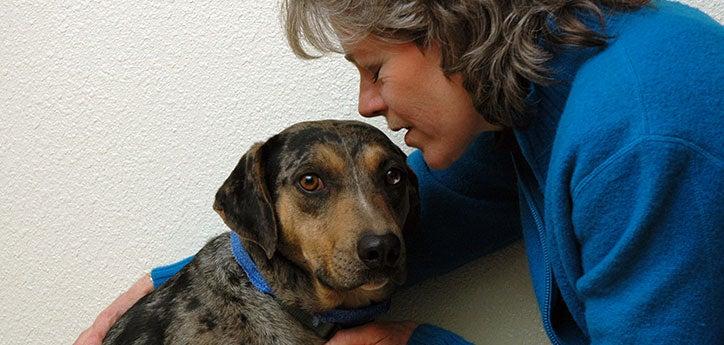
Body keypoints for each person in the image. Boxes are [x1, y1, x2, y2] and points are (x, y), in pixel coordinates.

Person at [75, 0, 723, 344]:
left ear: (451, 24)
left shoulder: (638, 135)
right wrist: (172, 282)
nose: (366, 106)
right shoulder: (538, 95)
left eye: (373, 68)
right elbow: (425, 213)